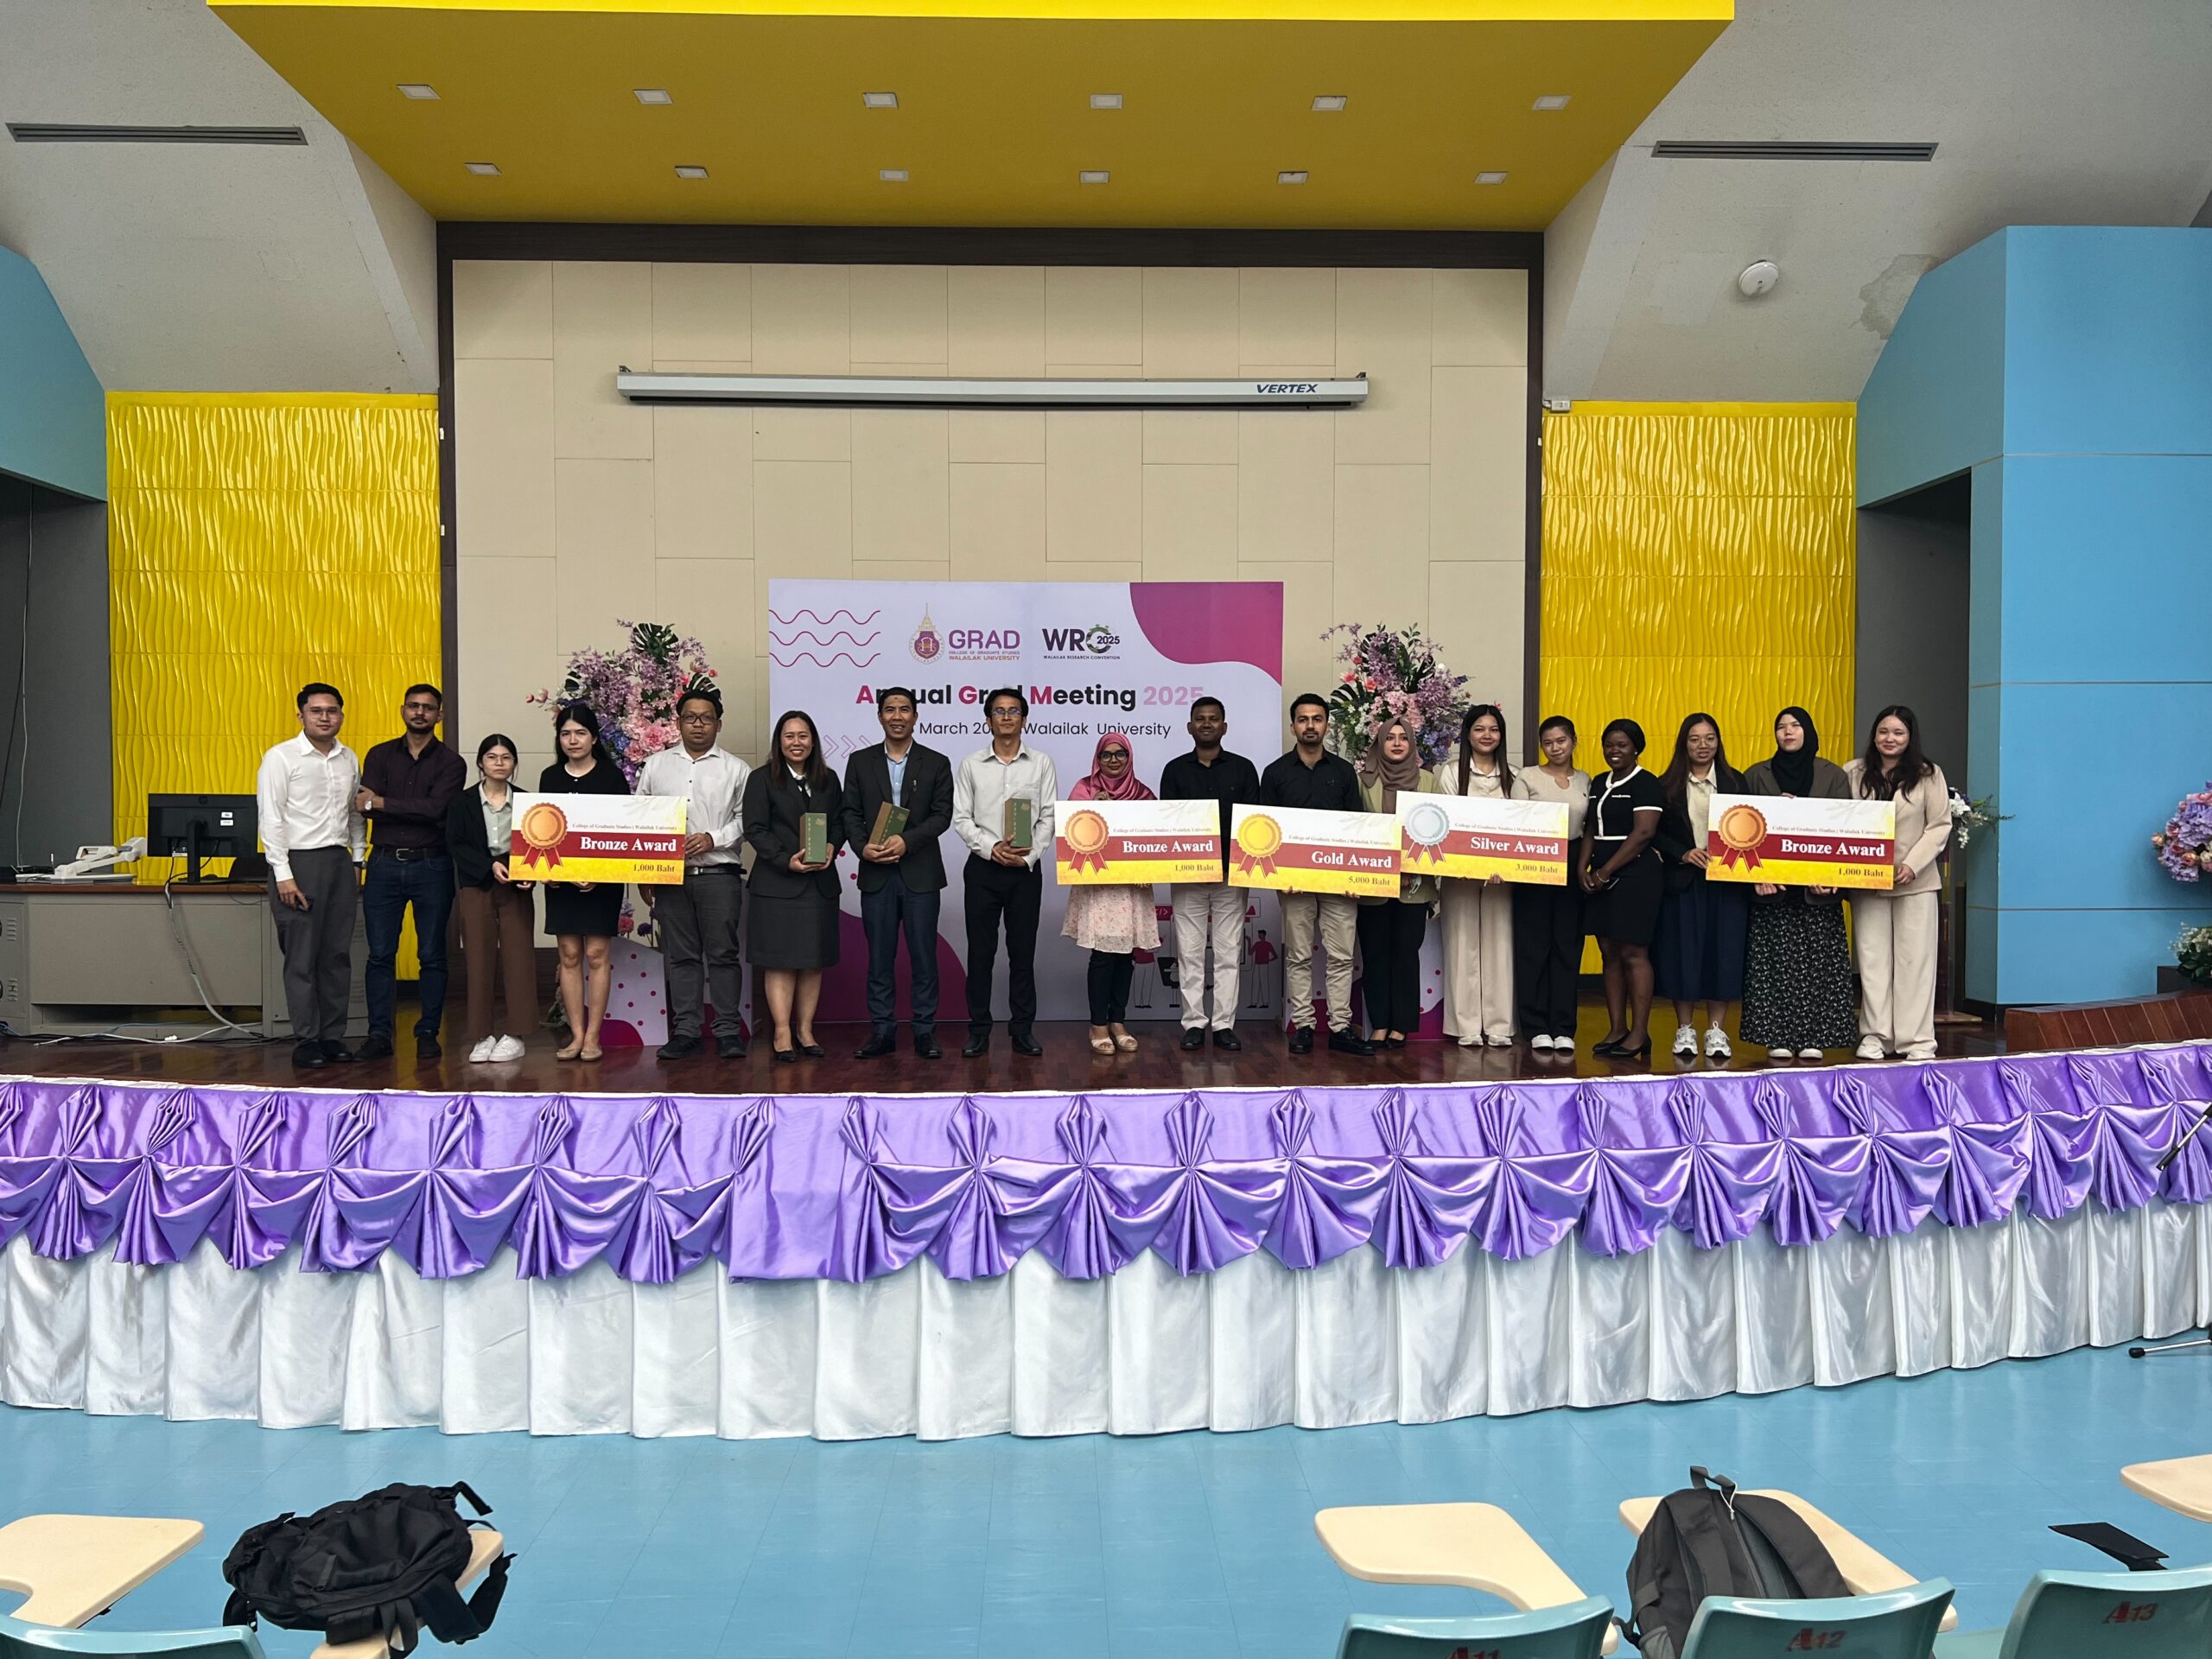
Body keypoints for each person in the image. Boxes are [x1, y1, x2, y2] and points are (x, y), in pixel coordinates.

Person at [638, 681, 752, 1062]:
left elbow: (747, 820)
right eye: (690, 718)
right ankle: (686, 1031)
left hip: (720, 875)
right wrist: (645, 872)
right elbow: (640, 817)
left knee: (723, 955)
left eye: (706, 718)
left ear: (719, 724)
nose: (698, 724)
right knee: (681, 957)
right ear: (678, 722)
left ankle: (728, 1031)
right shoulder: (656, 765)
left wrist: (712, 838)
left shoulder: (737, 769)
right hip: (671, 878)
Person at [840, 686, 953, 1060]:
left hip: (921, 873)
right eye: (890, 709)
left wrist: (907, 841)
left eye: (905, 709)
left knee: (924, 957)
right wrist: (862, 847)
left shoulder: (936, 762)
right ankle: (882, 1031)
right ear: (880, 716)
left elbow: (942, 815)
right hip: (877, 874)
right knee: (880, 958)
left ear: (916, 716)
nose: (898, 716)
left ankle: (924, 1032)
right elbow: (850, 813)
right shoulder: (860, 761)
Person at [1740, 706, 1859, 1061]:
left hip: (1816, 891)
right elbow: (1740, 831)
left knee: (1818, 967)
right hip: (1772, 889)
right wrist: (1756, 877)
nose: (1788, 732)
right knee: (1774, 967)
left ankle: (1815, 1037)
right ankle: (1775, 1035)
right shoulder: (1755, 775)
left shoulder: (1833, 775)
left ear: (1808, 731)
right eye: (1781, 726)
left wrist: (1832, 877)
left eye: (1795, 726)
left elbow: (1845, 829)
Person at [355, 683, 466, 1060]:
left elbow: (437, 810)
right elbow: (362, 806)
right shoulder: (379, 754)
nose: (420, 712)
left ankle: (428, 1031)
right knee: (380, 954)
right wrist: (386, 805)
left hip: (431, 864)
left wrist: (383, 802)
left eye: (428, 707)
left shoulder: (452, 763)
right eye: (414, 706)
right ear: (403, 710)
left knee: (432, 954)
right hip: (383, 863)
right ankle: (379, 1034)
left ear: (439, 715)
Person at [257, 682, 365, 1070]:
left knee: (336, 955)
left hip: (339, 862)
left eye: (332, 710)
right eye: (316, 711)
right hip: (298, 863)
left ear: (341, 715)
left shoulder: (348, 758)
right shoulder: (281, 758)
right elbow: (271, 817)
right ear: (300, 715)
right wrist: (283, 874)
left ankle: (332, 1036)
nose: (325, 717)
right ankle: (306, 1039)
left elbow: (353, 813)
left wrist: (358, 859)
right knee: (301, 957)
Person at [1261, 693, 1372, 1056]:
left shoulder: (1343, 772)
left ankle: (1340, 1027)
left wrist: (1355, 878)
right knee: (1298, 956)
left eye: (1317, 719)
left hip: (1339, 882)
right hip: (1293, 883)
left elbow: (1357, 828)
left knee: (1342, 956)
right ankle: (1304, 1026)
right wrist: (1280, 878)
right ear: (1293, 726)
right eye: (1303, 719)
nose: (1310, 725)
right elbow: (1263, 833)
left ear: (1327, 724)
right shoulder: (1275, 773)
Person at [953, 688, 1057, 1058]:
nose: (1007, 717)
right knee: (980, 954)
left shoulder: (1041, 763)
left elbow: (1049, 817)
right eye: (999, 711)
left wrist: (1029, 858)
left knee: (1022, 954)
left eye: (1014, 711)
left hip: (1024, 871)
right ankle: (979, 1030)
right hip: (983, 869)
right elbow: (962, 818)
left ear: (1024, 719)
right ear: (988, 720)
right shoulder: (971, 765)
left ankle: (1022, 1030)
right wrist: (991, 848)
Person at [1846, 704, 1952, 1062]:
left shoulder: (1929, 774)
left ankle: (1917, 1041)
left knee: (1915, 962)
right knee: (1872, 961)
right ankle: (1875, 1036)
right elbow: (1834, 817)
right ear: (1874, 735)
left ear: (1910, 737)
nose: (1889, 739)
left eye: (1898, 733)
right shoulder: (1853, 772)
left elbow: (1939, 825)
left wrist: (1912, 865)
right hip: (1867, 884)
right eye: (1883, 732)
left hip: (1915, 883)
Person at [1160, 696, 1262, 1051]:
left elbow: (1254, 825)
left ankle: (1223, 1025)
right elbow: (1168, 824)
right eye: (1200, 718)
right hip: (1187, 875)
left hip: (1231, 875)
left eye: (1213, 718)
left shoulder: (1244, 769)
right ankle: (1193, 1023)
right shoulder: (1174, 770)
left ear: (1224, 726)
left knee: (1228, 953)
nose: (1206, 723)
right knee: (1188, 952)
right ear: (1190, 727)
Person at [742, 709, 845, 1063]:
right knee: (780, 963)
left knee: (812, 961)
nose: (796, 742)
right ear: (779, 742)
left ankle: (805, 1030)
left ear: (813, 741)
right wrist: (786, 859)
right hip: (777, 885)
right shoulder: (761, 779)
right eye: (789, 736)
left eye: (803, 736)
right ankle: (782, 1032)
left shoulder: (828, 779)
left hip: (819, 884)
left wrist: (832, 845)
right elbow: (755, 829)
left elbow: (841, 822)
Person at [1651, 713, 1751, 1062]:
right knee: (1684, 954)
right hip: (1684, 881)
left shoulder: (1736, 782)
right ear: (1684, 744)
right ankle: (1685, 1029)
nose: (1703, 745)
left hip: (1727, 884)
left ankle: (1717, 1030)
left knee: (1723, 953)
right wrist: (1682, 852)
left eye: (1709, 738)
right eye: (1694, 739)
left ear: (1718, 742)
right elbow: (1654, 833)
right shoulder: (1667, 785)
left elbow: (1753, 829)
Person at [537, 702, 631, 1061]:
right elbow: (542, 830)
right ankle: (575, 1036)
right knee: (569, 954)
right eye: (566, 734)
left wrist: (598, 874)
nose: (572, 740)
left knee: (596, 954)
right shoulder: (550, 777)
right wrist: (549, 870)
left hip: (601, 882)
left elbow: (621, 834)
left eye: (580, 733)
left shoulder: (612, 777)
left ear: (594, 738)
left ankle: (594, 1037)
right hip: (561, 882)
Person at [1062, 732, 1160, 1055]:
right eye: (1107, 754)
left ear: (1129, 757)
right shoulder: (1084, 790)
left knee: (1126, 956)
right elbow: (1072, 833)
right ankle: (1098, 1024)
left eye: (1121, 754)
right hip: (1100, 886)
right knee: (1103, 956)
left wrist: (1149, 870)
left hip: (1133, 887)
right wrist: (1094, 810)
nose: (1114, 760)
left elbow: (1156, 839)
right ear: (1098, 758)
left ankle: (1118, 1021)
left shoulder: (1143, 794)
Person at [1440, 702, 1529, 1048]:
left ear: (1502, 736)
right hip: (1459, 874)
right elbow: (1447, 825)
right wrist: (1463, 866)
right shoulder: (1451, 773)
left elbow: (1520, 828)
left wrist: (1505, 867)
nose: (1487, 735)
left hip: (1501, 876)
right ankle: (1465, 1025)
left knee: (1500, 944)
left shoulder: (1515, 775)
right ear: (1468, 735)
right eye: (1479, 729)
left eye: (1493, 729)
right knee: (1461, 943)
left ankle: (1499, 1025)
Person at [447, 733, 536, 1064]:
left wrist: (526, 872)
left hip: (516, 887)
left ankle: (517, 1034)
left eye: (506, 757)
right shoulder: (462, 802)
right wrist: (489, 866)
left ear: (514, 764)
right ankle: (482, 1035)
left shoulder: (527, 802)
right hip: (476, 886)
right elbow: (456, 844)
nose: (499, 763)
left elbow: (539, 843)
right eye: (492, 757)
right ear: (481, 763)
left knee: (519, 958)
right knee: (478, 959)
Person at [1581, 718, 1665, 1063]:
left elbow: (1643, 833)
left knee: (1634, 952)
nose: (1614, 751)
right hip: (1600, 876)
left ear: (1636, 748)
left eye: (1622, 745)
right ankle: (1617, 1028)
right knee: (1609, 952)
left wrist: (1605, 871)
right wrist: (1583, 868)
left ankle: (1639, 1033)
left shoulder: (1647, 783)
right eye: (1609, 745)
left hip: (1636, 877)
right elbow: (1590, 827)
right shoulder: (1599, 782)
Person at [1355, 715, 1440, 1048]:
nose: (1397, 743)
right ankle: (1379, 1023)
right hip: (1373, 885)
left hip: (1415, 887)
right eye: (1390, 737)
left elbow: (1439, 832)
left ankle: (1401, 1025)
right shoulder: (1363, 782)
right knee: (1375, 954)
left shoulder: (1428, 781)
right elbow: (1354, 830)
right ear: (1379, 743)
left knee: (1405, 953)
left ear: (1412, 744)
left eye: (1403, 738)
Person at [1514, 715, 1589, 1054]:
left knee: (1567, 947)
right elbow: (1516, 823)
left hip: (1573, 864)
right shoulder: (1527, 777)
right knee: (1534, 947)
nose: (1555, 748)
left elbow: (1588, 827)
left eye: (1561, 740)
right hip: (1535, 863)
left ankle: (1563, 1026)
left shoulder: (1585, 780)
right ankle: (1535, 1026)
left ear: (1573, 741)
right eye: (1548, 742)